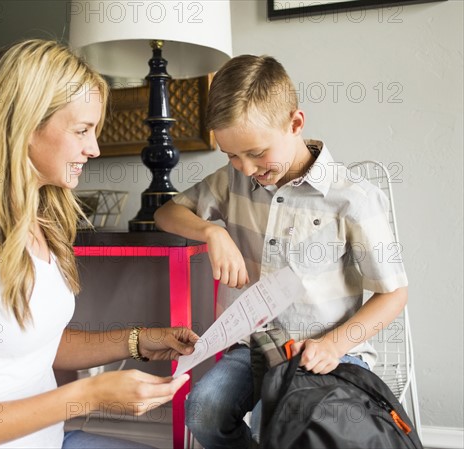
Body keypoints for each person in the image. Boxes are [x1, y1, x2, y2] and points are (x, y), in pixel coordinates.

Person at [0, 39, 197, 449]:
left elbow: (39, 343)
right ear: (26, 123)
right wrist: (86, 396)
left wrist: (138, 340)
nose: (93, 148)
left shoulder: (39, 216)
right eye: (82, 130)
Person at [154, 54, 408, 449]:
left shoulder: (354, 198)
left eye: (255, 152)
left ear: (295, 123)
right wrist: (211, 233)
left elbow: (394, 293)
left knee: (288, 424)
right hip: (253, 346)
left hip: (325, 351)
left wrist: (335, 344)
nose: (245, 167)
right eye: (231, 155)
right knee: (204, 411)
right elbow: (167, 213)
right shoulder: (231, 182)